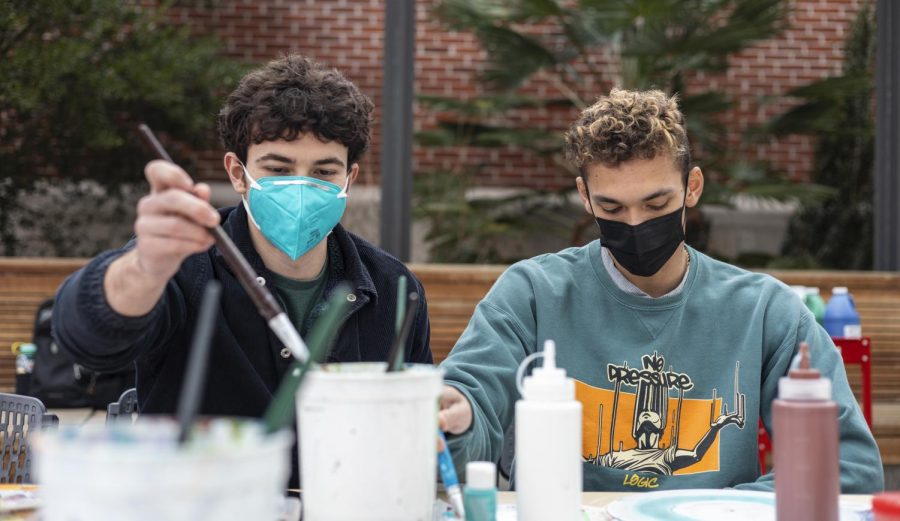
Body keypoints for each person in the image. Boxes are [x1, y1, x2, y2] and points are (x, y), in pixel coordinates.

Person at [437, 88, 883, 492]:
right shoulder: (533, 294)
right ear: (585, 196)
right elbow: (464, 425)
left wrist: (704, 511)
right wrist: (456, 419)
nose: (635, 224)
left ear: (692, 187)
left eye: (656, 204)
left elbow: (849, 467)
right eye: (612, 206)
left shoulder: (764, 311)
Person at [53, 54, 432, 485]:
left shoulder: (395, 289)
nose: (302, 187)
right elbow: (86, 339)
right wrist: (144, 268)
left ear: (349, 179)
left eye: (324, 172)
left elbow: (418, 424)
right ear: (237, 172)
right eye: (278, 169)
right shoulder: (182, 265)